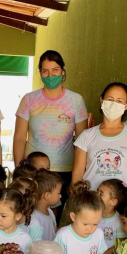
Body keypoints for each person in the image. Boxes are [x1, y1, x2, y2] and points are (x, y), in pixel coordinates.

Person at [13, 50, 88, 218]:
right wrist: (20, 169)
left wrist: (79, 173)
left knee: (55, 218)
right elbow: (19, 137)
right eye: (45, 71)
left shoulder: (76, 100)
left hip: (65, 173)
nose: (50, 74)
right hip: (34, 171)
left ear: (63, 71)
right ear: (40, 73)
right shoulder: (29, 99)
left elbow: (83, 142)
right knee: (29, 216)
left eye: (55, 69)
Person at [73, 82, 127, 200]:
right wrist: (75, 200)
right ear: (102, 100)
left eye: (119, 101)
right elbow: (77, 173)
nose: (114, 104)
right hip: (91, 202)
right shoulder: (87, 136)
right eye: (110, 99)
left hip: (123, 202)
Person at [54, 181, 107, 254]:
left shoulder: (99, 234)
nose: (90, 229)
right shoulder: (63, 235)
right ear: (73, 217)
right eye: (85, 224)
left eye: (95, 224)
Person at [29, 170, 62, 241]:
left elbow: (54, 229)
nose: (60, 196)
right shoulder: (34, 217)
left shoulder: (50, 212)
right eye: (59, 193)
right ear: (47, 195)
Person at [97, 179, 127, 251]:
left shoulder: (119, 221)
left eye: (101, 194)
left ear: (113, 201)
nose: (96, 195)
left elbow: (120, 245)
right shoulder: (91, 214)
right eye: (97, 191)